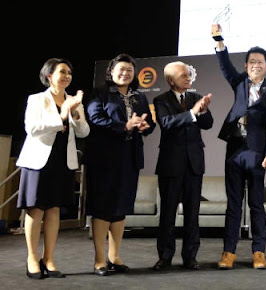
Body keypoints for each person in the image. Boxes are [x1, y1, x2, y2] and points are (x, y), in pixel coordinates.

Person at [211, 24, 266, 270]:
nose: (255, 65)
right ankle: (228, 252)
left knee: (256, 205)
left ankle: (259, 252)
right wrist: (219, 40)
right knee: (233, 204)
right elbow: (225, 66)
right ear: (246, 65)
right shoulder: (239, 82)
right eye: (252, 62)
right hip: (235, 151)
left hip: (257, 153)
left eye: (260, 62)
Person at [16, 58, 90, 279]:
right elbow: (32, 128)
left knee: (54, 210)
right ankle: (32, 258)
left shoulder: (74, 101)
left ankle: (48, 258)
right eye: (62, 72)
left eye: (69, 72)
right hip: (39, 160)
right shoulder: (37, 99)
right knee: (36, 209)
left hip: (62, 161)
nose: (67, 76)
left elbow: (84, 132)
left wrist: (74, 113)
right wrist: (62, 115)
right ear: (49, 75)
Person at [85, 53, 156, 276]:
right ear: (111, 72)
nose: (125, 73)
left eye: (129, 70)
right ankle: (99, 259)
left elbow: (149, 121)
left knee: (121, 208)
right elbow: (95, 119)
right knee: (102, 208)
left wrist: (145, 126)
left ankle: (114, 257)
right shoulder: (100, 92)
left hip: (129, 158)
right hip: (104, 159)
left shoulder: (139, 97)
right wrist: (124, 126)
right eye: (121, 69)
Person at [152, 62, 213, 271]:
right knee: (168, 213)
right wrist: (192, 113)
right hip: (170, 164)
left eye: (189, 75)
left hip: (194, 164)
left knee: (192, 214)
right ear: (171, 80)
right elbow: (166, 123)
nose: (188, 78)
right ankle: (165, 256)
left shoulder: (196, 98)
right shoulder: (161, 100)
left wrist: (203, 111)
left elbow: (208, 124)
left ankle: (190, 257)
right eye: (183, 75)